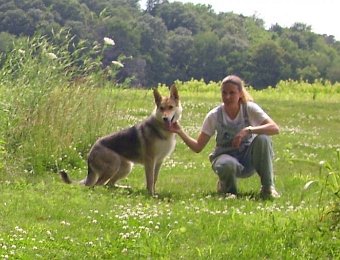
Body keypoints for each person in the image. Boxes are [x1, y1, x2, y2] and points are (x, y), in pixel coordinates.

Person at [169, 75, 280, 198]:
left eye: (232, 93)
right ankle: (228, 191)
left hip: (248, 159)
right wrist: (180, 131)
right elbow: (198, 147)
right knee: (227, 164)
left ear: (240, 94)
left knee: (263, 138)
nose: (227, 97)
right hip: (225, 159)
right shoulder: (214, 115)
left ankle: (268, 188)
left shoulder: (249, 109)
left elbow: (274, 128)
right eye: (224, 93)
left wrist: (248, 130)